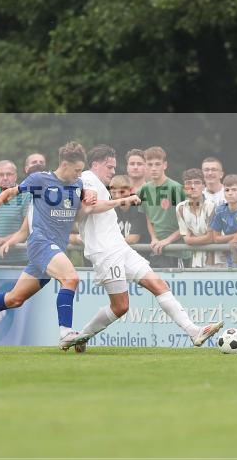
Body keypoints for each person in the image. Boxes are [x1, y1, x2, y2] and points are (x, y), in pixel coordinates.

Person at [0, 142, 108, 349]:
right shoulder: (40, 179)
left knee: (15, 299)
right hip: (40, 243)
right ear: (65, 165)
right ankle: (65, 332)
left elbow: (76, 217)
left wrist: (87, 208)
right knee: (71, 278)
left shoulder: (77, 185)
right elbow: (9, 192)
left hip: (54, 248)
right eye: (77, 170)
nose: (79, 175)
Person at [68, 145, 223, 350]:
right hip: (105, 252)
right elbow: (88, 209)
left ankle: (194, 331)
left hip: (120, 248)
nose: (114, 172)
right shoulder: (87, 179)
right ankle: (83, 336)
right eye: (109, 167)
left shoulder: (98, 183)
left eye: (114, 167)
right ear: (95, 165)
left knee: (159, 285)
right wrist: (123, 200)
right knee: (121, 306)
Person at [139, 146, 187, 268]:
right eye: (150, 164)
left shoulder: (175, 188)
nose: (153, 168)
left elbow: (186, 222)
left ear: (164, 165)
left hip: (176, 251)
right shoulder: (144, 190)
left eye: (157, 164)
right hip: (155, 250)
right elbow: (149, 218)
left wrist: (168, 240)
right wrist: (154, 238)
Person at [209, 174, 237, 268]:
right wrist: (236, 237)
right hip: (231, 259)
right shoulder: (219, 210)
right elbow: (216, 239)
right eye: (227, 190)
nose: (230, 193)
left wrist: (226, 246)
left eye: (234, 189)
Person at [175, 168, 217, 268]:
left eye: (197, 183)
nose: (192, 187)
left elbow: (211, 238)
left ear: (204, 186)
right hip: (194, 259)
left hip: (215, 258)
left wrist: (191, 240)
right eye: (188, 183)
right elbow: (185, 238)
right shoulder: (180, 208)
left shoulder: (212, 206)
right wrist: (190, 239)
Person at [109, 174, 148, 244]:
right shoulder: (112, 209)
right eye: (113, 192)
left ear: (131, 190)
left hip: (140, 252)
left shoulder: (138, 207)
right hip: (120, 251)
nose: (117, 196)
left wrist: (108, 243)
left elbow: (133, 238)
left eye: (122, 192)